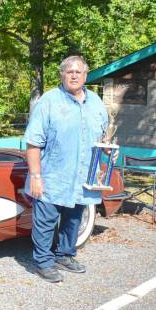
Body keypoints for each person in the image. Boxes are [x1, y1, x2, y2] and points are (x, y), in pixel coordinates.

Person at [24, 55, 109, 283]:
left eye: (78, 72)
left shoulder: (97, 104)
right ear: (62, 74)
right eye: (69, 71)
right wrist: (35, 176)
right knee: (45, 221)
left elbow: (103, 138)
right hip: (52, 176)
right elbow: (33, 142)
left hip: (83, 177)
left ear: (85, 75)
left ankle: (65, 254)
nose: (74, 75)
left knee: (73, 219)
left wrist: (108, 154)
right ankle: (43, 262)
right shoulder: (48, 101)